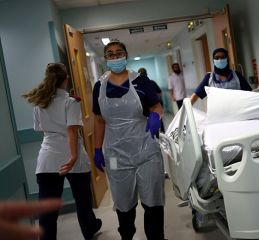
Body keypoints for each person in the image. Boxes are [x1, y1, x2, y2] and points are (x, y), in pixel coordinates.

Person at [92, 41, 165, 240]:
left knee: (153, 201)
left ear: (126, 55)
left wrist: (155, 116)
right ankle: (127, 236)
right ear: (105, 58)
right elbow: (98, 120)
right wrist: (97, 149)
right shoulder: (99, 86)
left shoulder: (141, 82)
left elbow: (157, 106)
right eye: (110, 54)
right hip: (116, 154)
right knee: (123, 204)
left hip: (146, 150)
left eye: (119, 53)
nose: (115, 57)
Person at [23, 63, 102, 240]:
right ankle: (89, 229)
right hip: (73, 158)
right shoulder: (71, 102)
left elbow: (39, 128)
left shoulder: (40, 102)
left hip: (48, 159)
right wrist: (73, 156)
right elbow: (72, 130)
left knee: (47, 209)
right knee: (83, 201)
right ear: (65, 80)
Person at [138, 67, 165, 132]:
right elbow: (160, 93)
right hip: (152, 107)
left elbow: (159, 93)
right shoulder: (150, 82)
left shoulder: (148, 83)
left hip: (152, 107)